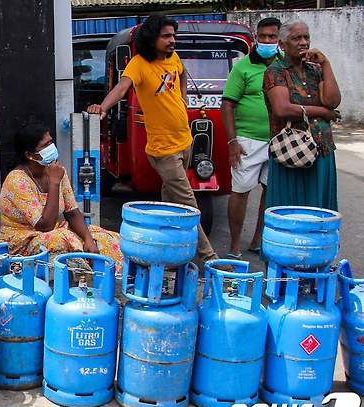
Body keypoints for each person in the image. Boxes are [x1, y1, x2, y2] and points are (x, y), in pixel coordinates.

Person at [87, 15, 218, 263]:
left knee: (171, 204)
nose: (172, 41)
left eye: (173, 36)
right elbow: (122, 88)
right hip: (163, 149)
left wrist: (182, 100)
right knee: (189, 205)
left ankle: (170, 254)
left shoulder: (174, 59)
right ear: (152, 38)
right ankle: (209, 257)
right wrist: (103, 107)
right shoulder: (138, 64)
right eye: (166, 36)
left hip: (185, 142)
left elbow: (180, 77)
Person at [0, 122, 123, 269]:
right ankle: (86, 279)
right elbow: (45, 225)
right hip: (22, 240)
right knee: (68, 239)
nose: (51, 147)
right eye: (45, 145)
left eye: (51, 142)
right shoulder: (17, 180)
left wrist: (88, 238)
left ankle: (112, 280)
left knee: (107, 239)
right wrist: (54, 183)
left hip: (54, 232)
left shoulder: (57, 170)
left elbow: (72, 212)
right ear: (29, 155)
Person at [263, 20, 340, 211]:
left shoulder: (315, 70)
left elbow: (332, 101)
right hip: (291, 150)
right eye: (296, 38)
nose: (303, 42)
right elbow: (282, 109)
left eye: (306, 37)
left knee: (320, 210)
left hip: (322, 149)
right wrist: (323, 112)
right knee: (291, 209)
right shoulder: (275, 71)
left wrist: (326, 64)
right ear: (282, 45)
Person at [222, 17, 282, 259]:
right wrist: (232, 142)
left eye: (272, 37)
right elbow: (227, 105)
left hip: (279, 140)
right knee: (241, 191)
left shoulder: (284, 66)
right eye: (263, 36)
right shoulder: (243, 67)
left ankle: (258, 239)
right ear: (256, 37)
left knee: (271, 191)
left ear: (278, 39)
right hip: (248, 140)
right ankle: (235, 246)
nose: (267, 41)